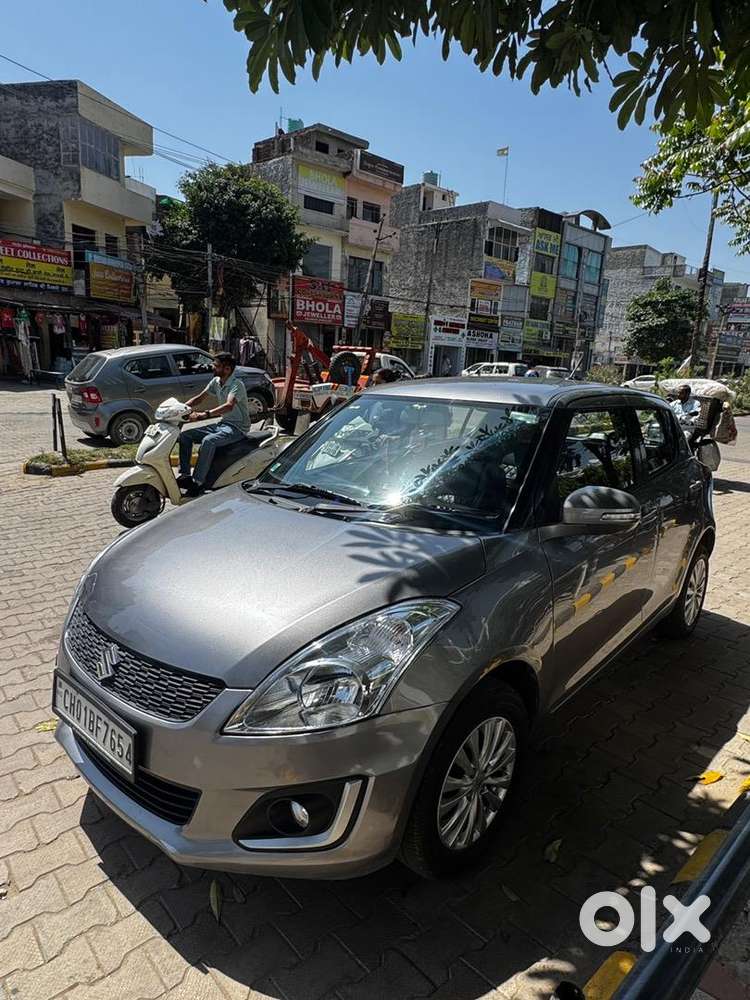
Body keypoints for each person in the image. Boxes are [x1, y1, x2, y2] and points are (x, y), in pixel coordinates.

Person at [178, 352, 250, 495]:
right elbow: (200, 398)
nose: (213, 367)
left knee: (208, 441)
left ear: (227, 369)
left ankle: (197, 482)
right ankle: (185, 475)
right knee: (185, 436)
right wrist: (180, 408)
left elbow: (229, 405)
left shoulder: (236, 385)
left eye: (216, 366)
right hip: (223, 424)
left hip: (237, 428)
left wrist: (204, 415)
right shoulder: (216, 382)